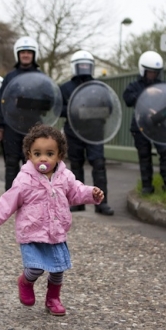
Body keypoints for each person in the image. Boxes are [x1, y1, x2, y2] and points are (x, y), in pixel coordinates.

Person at [0, 123, 104, 316]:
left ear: (59, 156)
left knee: (58, 269)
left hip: (56, 231)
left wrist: (91, 194)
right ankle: (25, 281)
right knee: (35, 268)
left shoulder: (65, 176)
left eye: (49, 153)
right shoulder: (24, 180)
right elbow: (9, 200)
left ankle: (53, 299)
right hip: (32, 232)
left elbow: (76, 191)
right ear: (29, 155)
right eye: (37, 153)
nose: (43, 158)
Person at [60, 50, 114, 215]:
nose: (84, 68)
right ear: (75, 67)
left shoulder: (98, 87)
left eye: (86, 65)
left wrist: (91, 112)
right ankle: (78, 201)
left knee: (98, 164)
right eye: (81, 65)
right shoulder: (66, 88)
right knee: (76, 166)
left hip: (94, 132)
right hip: (74, 132)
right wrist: (73, 110)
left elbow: (109, 107)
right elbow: (59, 109)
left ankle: (101, 203)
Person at [123, 51, 166, 194]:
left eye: (155, 72)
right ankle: (147, 186)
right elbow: (127, 98)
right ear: (143, 70)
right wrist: (145, 95)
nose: (152, 75)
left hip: (159, 125)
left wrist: (160, 113)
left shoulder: (163, 86)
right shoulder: (134, 85)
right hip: (140, 126)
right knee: (144, 156)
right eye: (150, 72)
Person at [0, 36, 42, 191]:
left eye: (29, 52)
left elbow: (47, 102)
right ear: (18, 54)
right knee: (11, 162)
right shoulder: (10, 77)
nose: (26, 55)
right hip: (12, 125)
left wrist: (26, 102)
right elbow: (1, 101)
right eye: (23, 52)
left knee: (32, 163)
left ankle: (31, 197)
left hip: (33, 127)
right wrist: (0, 126)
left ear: (34, 54)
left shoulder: (41, 77)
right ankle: (11, 198)